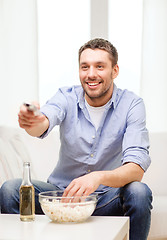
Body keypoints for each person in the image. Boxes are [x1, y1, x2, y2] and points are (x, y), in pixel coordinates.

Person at [0, 38, 152, 240]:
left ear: (114, 71)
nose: (91, 74)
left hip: (106, 198)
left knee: (139, 192)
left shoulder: (132, 104)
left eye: (100, 66)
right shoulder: (66, 96)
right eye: (85, 67)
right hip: (61, 196)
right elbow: (43, 122)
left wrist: (97, 177)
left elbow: (136, 169)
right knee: (10, 189)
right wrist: (32, 120)